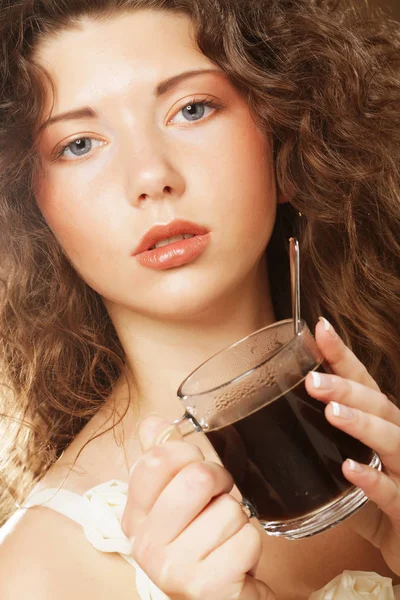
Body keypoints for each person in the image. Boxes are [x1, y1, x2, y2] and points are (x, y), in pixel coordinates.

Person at [0, 0, 399, 598]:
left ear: (284, 138)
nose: (150, 176)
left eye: (191, 109)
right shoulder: (39, 573)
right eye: (80, 144)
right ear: (37, 212)